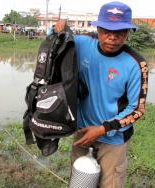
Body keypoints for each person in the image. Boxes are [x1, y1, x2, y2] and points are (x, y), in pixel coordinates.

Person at [55, 1, 148, 187]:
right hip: (82, 131)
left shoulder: (136, 64)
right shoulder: (81, 44)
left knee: (109, 183)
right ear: (97, 29)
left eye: (119, 32)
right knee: (80, 182)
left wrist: (102, 129)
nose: (112, 37)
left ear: (128, 33)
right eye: (106, 30)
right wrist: (57, 28)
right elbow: (57, 39)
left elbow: (137, 109)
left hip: (113, 140)